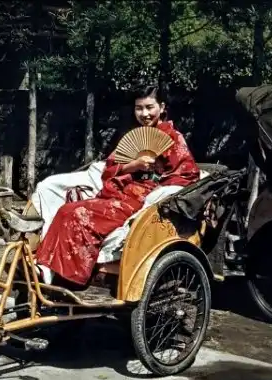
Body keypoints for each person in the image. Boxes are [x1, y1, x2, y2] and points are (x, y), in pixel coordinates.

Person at [33, 85, 201, 286]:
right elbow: (110, 168)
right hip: (119, 193)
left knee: (76, 214)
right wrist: (134, 165)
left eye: (150, 107)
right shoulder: (134, 134)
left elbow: (187, 174)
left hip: (142, 201)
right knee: (66, 210)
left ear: (162, 107)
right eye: (139, 108)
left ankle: (64, 275)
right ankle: (47, 268)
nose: (144, 114)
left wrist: (158, 179)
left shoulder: (173, 138)